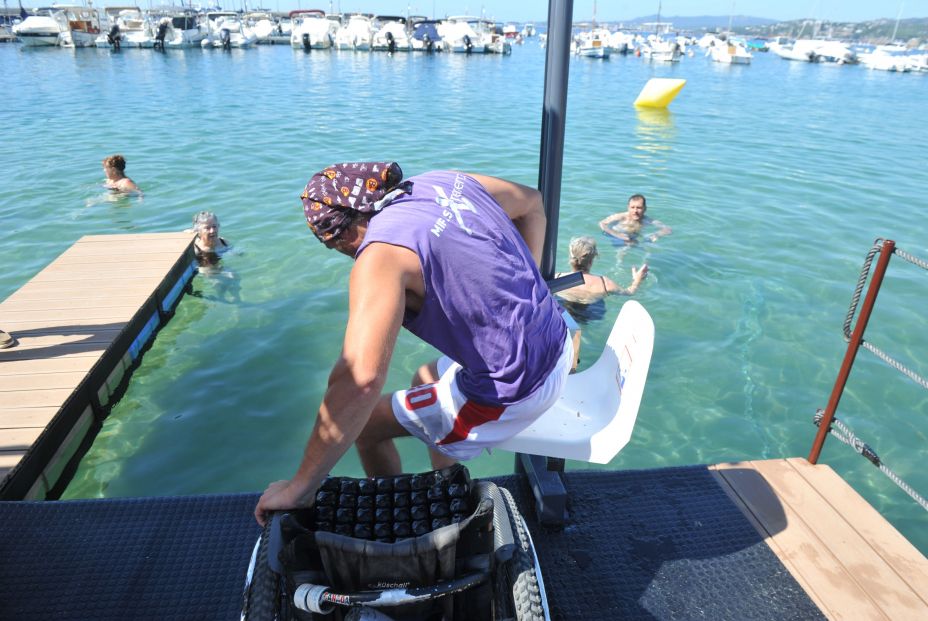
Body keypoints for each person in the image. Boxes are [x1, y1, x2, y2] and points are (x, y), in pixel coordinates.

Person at [254, 162, 572, 525]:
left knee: (368, 426)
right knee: (424, 376)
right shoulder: (443, 181)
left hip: (517, 389)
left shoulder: (379, 256)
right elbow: (532, 204)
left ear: (339, 237)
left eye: (334, 247)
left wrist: (300, 486)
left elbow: (361, 381)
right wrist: (514, 293)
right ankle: (445, 479)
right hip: (556, 337)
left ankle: (405, 519)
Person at [555, 236, 648, 324]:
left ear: (571, 258)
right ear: (591, 260)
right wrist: (637, 280)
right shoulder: (605, 284)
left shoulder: (557, 278)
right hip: (591, 316)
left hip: (562, 314)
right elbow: (630, 292)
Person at [599, 194, 671, 244]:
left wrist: (655, 235)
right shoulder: (621, 217)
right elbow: (602, 223)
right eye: (632, 207)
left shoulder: (647, 220)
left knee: (647, 245)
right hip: (615, 236)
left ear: (645, 209)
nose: (635, 211)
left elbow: (668, 229)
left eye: (639, 208)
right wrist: (617, 234)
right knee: (627, 245)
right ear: (628, 208)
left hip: (632, 238)